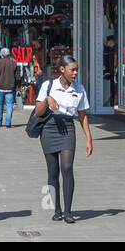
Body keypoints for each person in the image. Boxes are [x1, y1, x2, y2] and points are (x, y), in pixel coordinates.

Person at [35, 54, 92, 224]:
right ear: (62, 70)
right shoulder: (48, 85)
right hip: (49, 128)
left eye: (76, 70)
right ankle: (57, 209)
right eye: (72, 70)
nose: (75, 73)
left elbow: (82, 115)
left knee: (67, 168)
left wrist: (89, 138)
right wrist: (47, 99)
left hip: (68, 127)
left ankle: (68, 211)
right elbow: (38, 112)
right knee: (53, 172)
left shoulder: (79, 88)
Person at [0, 48, 18, 127]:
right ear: (8, 55)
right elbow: (17, 77)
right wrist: (16, 85)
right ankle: (8, 123)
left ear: (1, 55)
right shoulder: (13, 63)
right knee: (9, 105)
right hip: (10, 88)